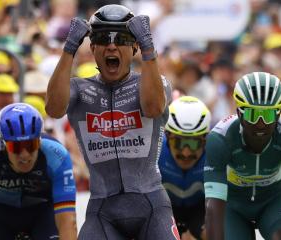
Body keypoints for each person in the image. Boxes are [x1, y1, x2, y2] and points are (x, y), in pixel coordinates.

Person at [46, 4, 180, 240]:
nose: (111, 45)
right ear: (93, 47)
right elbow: (54, 109)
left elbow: (153, 107)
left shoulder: (154, 83)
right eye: (102, 38)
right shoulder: (80, 89)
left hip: (151, 206)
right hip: (102, 210)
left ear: (134, 47)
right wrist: (69, 49)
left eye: (121, 39)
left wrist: (148, 47)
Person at [204, 72, 281, 240]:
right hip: (233, 206)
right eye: (253, 115)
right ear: (239, 112)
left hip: (275, 200)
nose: (261, 123)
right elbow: (213, 206)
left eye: (268, 115)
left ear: (279, 113)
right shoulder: (220, 138)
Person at [0, 103, 77, 240]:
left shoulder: (57, 154)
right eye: (16, 147)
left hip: (43, 213)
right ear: (3, 144)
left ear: (39, 141)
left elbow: (68, 221)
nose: (25, 155)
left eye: (31, 145)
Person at [159, 96, 210, 240]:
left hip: (200, 210)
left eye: (194, 144)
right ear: (167, 136)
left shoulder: (215, 152)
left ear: (206, 140)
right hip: (166, 210)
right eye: (179, 143)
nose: (186, 152)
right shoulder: (155, 151)